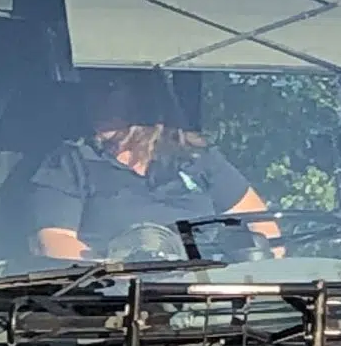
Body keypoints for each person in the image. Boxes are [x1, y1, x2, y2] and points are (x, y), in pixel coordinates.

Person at [27, 70, 277, 264]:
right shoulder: (70, 161)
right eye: (91, 89)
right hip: (117, 308)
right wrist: (111, 275)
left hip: (209, 305)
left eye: (109, 89)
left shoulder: (196, 158)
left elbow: (262, 225)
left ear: (144, 97)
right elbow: (55, 240)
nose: (95, 99)